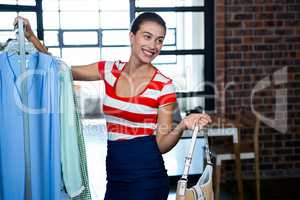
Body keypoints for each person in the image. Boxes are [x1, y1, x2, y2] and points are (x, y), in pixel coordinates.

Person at [16, 12, 211, 200]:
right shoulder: (109, 70)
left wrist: (183, 124)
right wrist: (32, 38)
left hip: (147, 177)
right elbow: (61, 70)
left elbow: (161, 145)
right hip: (115, 174)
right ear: (132, 36)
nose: (153, 45)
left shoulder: (164, 85)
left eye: (159, 40)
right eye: (147, 36)